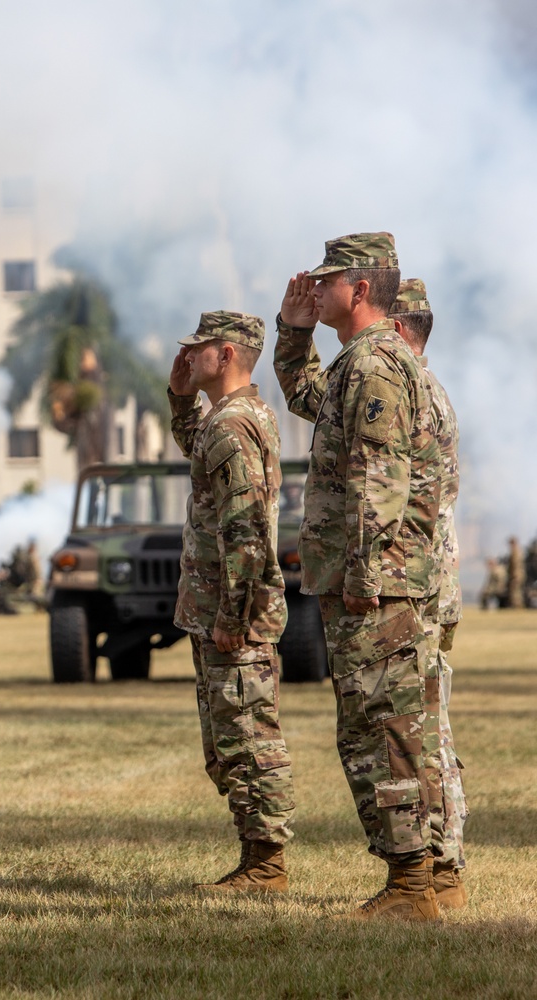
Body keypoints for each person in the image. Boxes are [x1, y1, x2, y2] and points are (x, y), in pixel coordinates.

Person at [275, 232, 442, 921]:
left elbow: (382, 479)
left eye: (327, 281)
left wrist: (365, 575)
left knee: (384, 729)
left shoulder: (374, 366)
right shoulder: (359, 362)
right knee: (392, 724)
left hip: (377, 581)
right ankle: (431, 874)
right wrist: (293, 331)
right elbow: (305, 396)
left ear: (361, 290)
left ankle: (412, 886)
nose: (317, 289)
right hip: (372, 576)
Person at [169, 310, 295, 893]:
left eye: (198, 350)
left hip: (233, 613)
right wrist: (179, 396)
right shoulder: (233, 417)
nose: (189, 356)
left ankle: (266, 864)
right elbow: (198, 451)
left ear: (225, 354)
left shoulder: (233, 424)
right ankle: (257, 858)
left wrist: (232, 615)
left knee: (247, 734)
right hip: (223, 608)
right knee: (231, 734)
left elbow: (244, 529)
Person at [389, 278, 468, 908]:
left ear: (397, 329)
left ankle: (442, 866)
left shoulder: (415, 394)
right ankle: (446, 865)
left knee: (425, 728)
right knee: (430, 724)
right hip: (433, 580)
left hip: (420, 584)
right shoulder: (426, 391)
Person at [507, 536, 525, 609]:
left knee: (515, 590)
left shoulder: (516, 552)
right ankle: (516, 605)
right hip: (518, 574)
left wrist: (515, 575)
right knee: (515, 589)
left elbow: (516, 565)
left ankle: (517, 605)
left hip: (517, 574)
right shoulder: (518, 551)